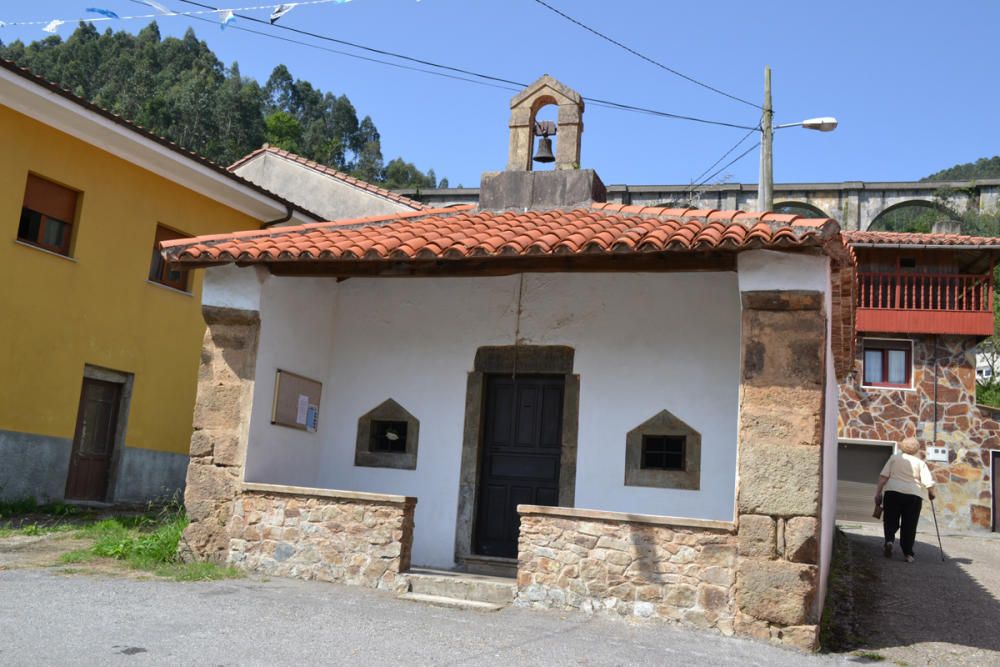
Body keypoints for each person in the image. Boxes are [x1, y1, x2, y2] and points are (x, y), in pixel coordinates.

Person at [875, 437, 936, 562]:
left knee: (890, 519)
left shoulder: (894, 458)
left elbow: (883, 476)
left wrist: (878, 493)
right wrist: (931, 493)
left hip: (892, 492)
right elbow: (928, 482)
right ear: (916, 449)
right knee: (909, 524)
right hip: (913, 495)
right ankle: (908, 554)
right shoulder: (920, 463)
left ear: (902, 446)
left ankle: (890, 541)